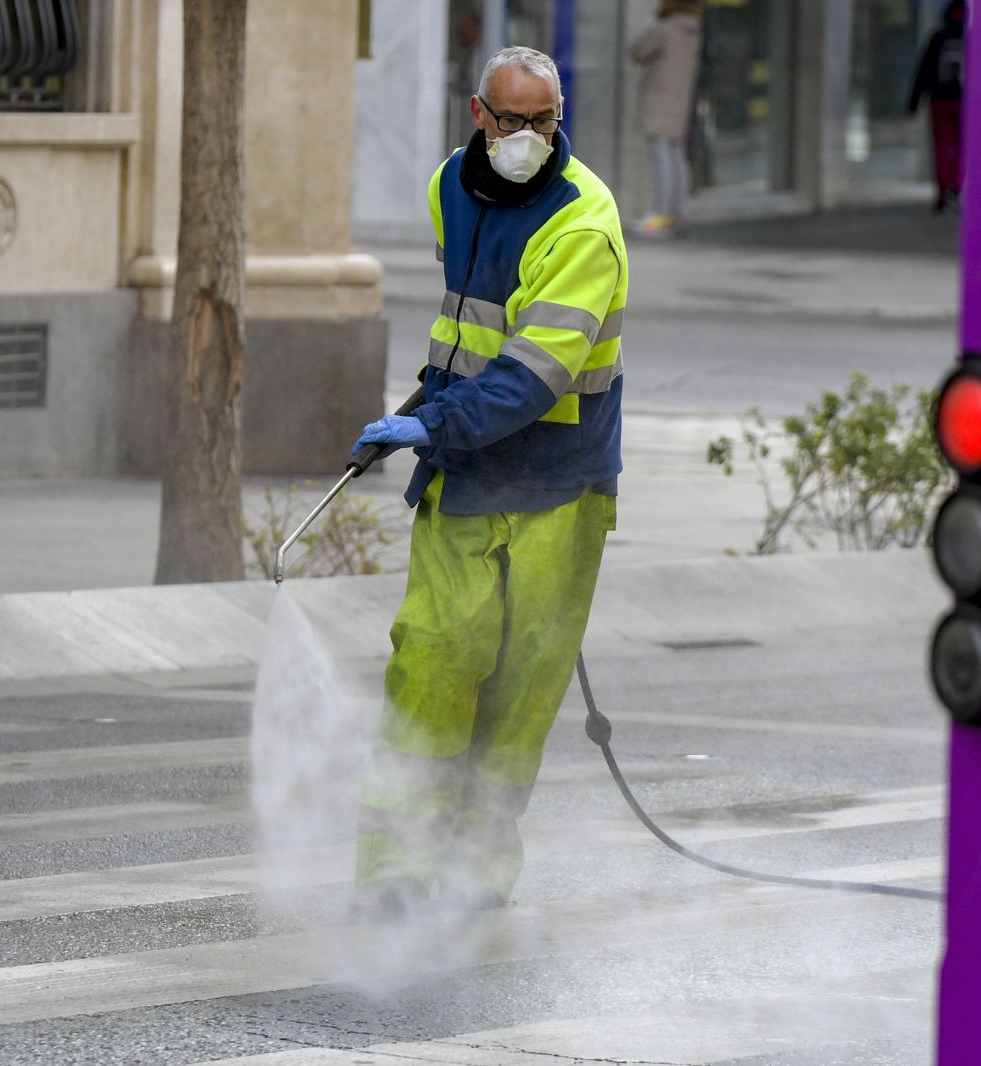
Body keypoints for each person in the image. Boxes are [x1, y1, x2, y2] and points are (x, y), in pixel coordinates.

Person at [350, 45, 627, 919]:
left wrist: (433, 423)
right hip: (466, 474)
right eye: (511, 120)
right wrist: (425, 406)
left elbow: (535, 372)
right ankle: (397, 873)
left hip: (559, 484)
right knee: (431, 661)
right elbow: (469, 329)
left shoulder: (584, 222)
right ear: (479, 114)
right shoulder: (449, 188)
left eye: (544, 121)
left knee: (519, 695)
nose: (527, 138)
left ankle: (474, 874)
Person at [629, 0, 704, 238]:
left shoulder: (663, 27)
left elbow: (637, 51)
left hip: (659, 100)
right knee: (676, 156)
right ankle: (676, 214)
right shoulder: (692, 29)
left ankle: (660, 215)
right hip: (681, 103)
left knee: (660, 158)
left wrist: (650, 24)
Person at [908, 0, 967, 213]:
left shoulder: (938, 37)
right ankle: (958, 185)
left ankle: (942, 192)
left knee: (942, 147)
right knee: (963, 146)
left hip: (939, 101)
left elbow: (923, 71)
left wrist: (913, 103)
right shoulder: (972, 37)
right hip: (965, 103)